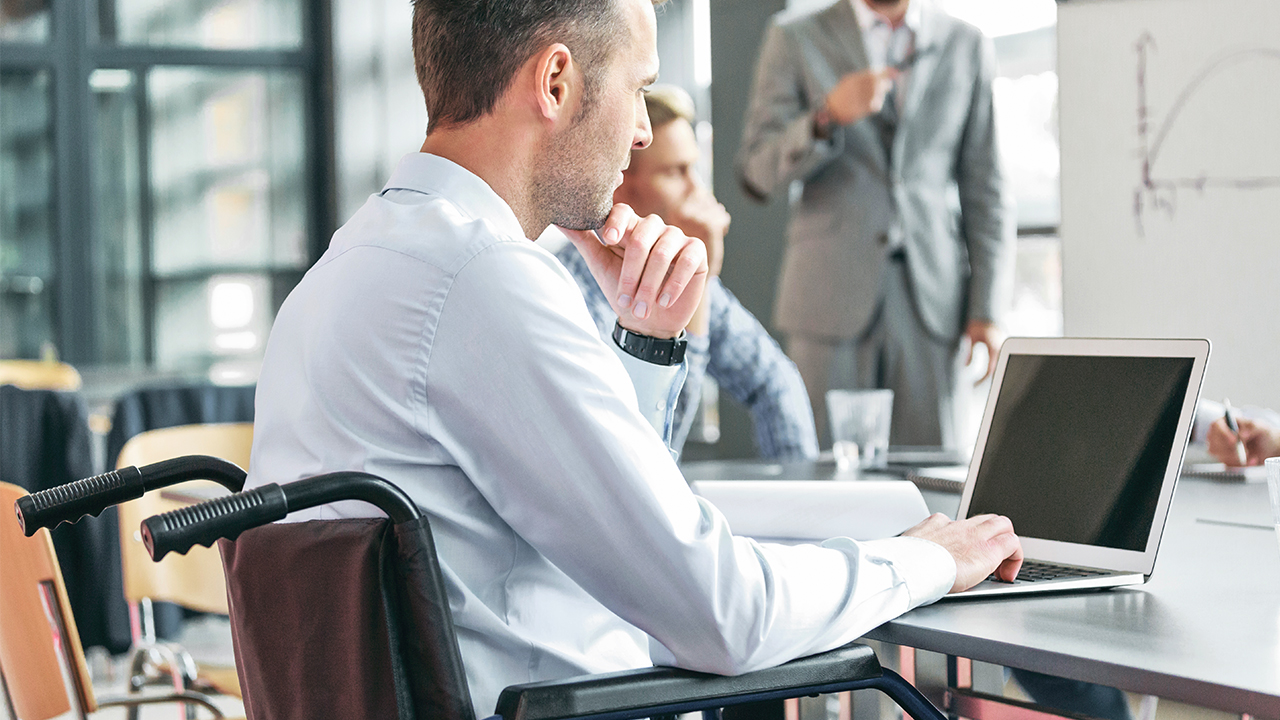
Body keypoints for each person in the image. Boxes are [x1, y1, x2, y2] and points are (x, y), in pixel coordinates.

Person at [244, 0, 1024, 715]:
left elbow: (612, 541)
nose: (644, 130)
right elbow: (726, 614)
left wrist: (646, 344)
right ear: (556, 81)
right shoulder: (483, 281)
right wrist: (921, 559)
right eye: (638, 88)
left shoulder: (346, 271)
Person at [736, 0, 1016, 449]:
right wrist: (826, 116)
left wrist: (987, 308)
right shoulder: (793, 37)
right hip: (828, 296)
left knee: (933, 477)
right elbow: (757, 171)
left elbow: (986, 188)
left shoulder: (968, 44)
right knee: (823, 472)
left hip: (932, 302)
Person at [553, 85, 819, 460]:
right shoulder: (568, 289)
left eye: (694, 167)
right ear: (621, 181)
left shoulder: (680, 268)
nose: (697, 188)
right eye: (676, 172)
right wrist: (696, 294)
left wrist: (798, 494)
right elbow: (651, 446)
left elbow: (775, 382)